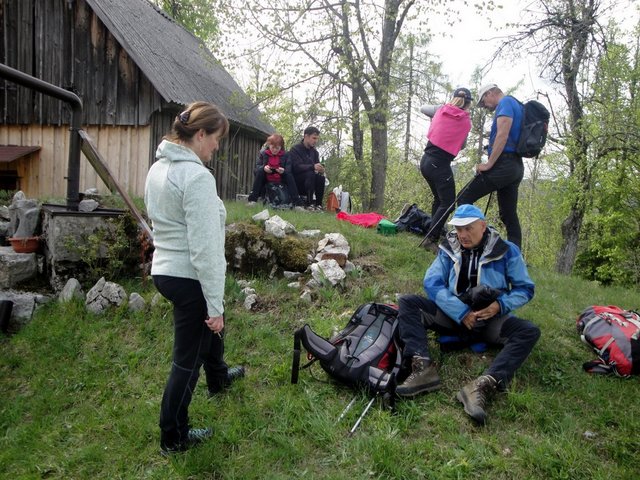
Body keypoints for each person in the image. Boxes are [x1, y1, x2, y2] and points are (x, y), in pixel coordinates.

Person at [144, 101, 245, 455]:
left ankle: (218, 377)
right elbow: (205, 250)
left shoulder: (158, 168)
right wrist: (214, 305)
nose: (217, 146)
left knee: (209, 332)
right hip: (189, 275)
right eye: (216, 138)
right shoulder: (197, 177)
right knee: (187, 360)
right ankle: (173, 436)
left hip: (165, 269)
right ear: (200, 134)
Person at [395, 204, 540, 425]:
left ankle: (483, 385)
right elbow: (432, 282)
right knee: (408, 303)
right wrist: (461, 312)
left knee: (529, 331)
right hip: (454, 315)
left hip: (489, 319)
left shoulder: (506, 250)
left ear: (483, 226)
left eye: (468, 228)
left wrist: (499, 306)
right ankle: (423, 370)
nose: (462, 234)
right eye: (458, 229)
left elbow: (525, 289)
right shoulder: (449, 248)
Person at [458, 83, 525, 248]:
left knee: (464, 197)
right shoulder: (516, 104)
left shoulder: (506, 102)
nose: (485, 106)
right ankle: (515, 255)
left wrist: (489, 164)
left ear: (490, 93)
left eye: (483, 102)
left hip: (504, 165)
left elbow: (503, 135)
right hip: (515, 167)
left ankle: (472, 243)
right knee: (508, 214)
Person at [419, 87, 473, 253]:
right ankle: (430, 239)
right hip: (440, 164)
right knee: (448, 203)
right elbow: (462, 145)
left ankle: (434, 230)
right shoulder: (466, 122)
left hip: (425, 162)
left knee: (439, 199)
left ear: (453, 98)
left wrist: (437, 118)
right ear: (468, 103)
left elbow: (423, 108)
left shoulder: (441, 109)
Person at [247, 134, 302, 207]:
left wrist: (283, 171)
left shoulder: (286, 155)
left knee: (289, 176)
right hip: (266, 179)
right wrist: (264, 168)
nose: (275, 150)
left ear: (281, 147)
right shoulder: (263, 154)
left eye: (277, 148)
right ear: (269, 145)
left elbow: (289, 170)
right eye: (273, 147)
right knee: (260, 171)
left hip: (281, 178)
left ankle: (297, 203)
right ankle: (252, 200)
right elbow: (256, 168)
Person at [288, 126, 325, 210]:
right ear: (306, 136)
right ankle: (309, 204)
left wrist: (321, 170)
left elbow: (317, 167)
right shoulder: (295, 149)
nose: (315, 141)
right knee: (310, 173)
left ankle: (318, 205)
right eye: (314, 138)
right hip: (297, 181)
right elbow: (296, 167)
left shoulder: (315, 153)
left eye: (317, 139)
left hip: (311, 182)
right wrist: (312, 167)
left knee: (321, 177)